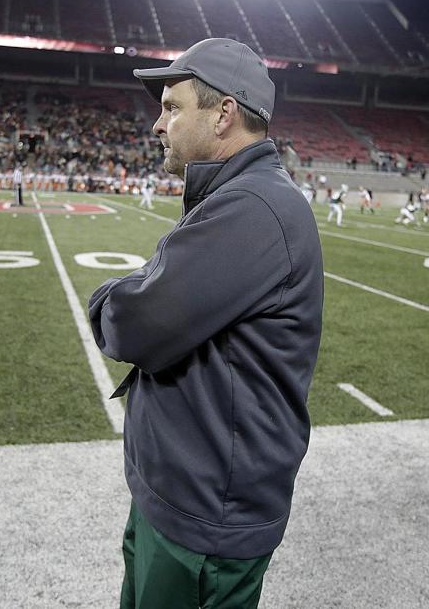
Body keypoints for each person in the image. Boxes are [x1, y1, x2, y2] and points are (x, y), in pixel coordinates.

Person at [88, 38, 324, 608]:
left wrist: (107, 297)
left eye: (172, 107)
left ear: (224, 114)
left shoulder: (254, 207)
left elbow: (133, 322)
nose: (157, 124)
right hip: (179, 495)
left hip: (206, 515)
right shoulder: (237, 196)